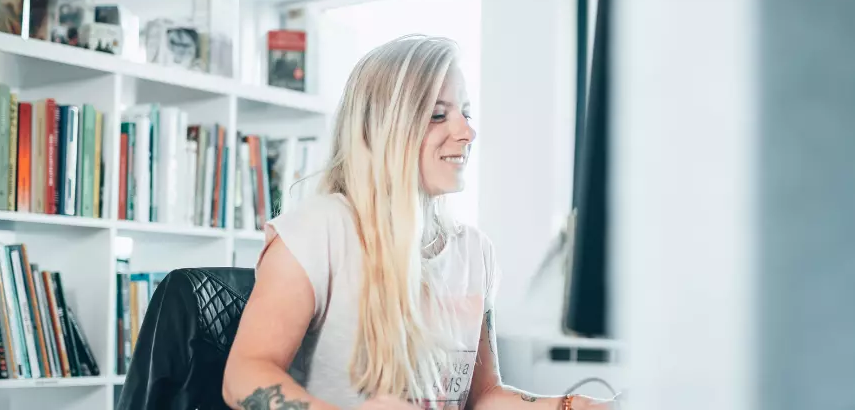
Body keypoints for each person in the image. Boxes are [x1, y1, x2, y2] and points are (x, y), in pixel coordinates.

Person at [222, 35, 613, 410]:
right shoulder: (318, 230)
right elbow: (244, 376)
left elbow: (483, 397)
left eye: (466, 112)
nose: (467, 132)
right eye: (438, 115)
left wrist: (574, 405)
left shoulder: (475, 252)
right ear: (384, 129)